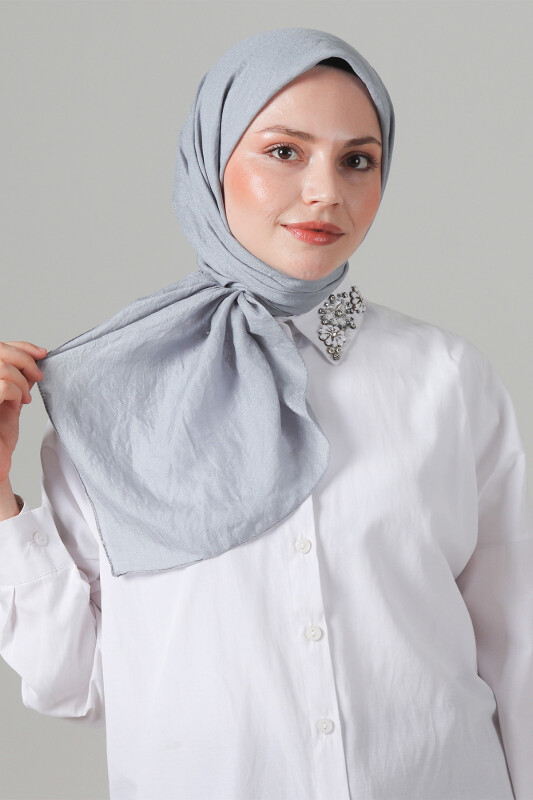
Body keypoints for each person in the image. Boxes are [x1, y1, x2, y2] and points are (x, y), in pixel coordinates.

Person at [0, 26, 531, 800]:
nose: (324, 191)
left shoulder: (444, 379)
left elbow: (517, 647)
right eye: (284, 151)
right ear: (210, 158)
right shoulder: (109, 398)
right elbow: (72, 683)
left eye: (357, 160)